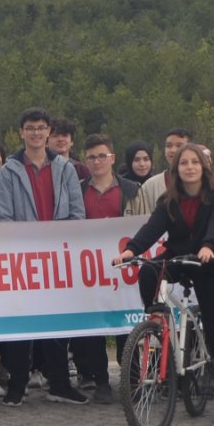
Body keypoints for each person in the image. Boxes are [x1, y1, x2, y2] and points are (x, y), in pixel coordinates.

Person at [116, 145, 214, 422]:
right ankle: (156, 320)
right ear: (176, 168)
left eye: (195, 162)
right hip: (179, 256)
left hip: (209, 262)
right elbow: (152, 228)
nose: (189, 167)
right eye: (184, 163)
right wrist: (131, 250)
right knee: (148, 271)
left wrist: (208, 246)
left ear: (204, 167)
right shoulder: (169, 200)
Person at [0, 108, 86, 406]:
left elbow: (77, 214)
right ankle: (17, 385)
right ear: (21, 132)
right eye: (30, 127)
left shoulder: (66, 169)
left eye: (41, 127)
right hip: (23, 258)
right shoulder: (8, 171)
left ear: (48, 131)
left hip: (57, 256)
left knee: (57, 322)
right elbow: (3, 218)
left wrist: (57, 239)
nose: (36, 132)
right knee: (21, 323)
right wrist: (26, 241)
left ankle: (59, 383)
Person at [76, 135, 135, 399]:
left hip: (124, 270)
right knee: (94, 329)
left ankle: (131, 377)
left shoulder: (132, 190)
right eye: (92, 157)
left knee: (127, 325)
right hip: (89, 271)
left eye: (102, 156)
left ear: (112, 158)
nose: (97, 161)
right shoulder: (77, 190)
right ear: (86, 161)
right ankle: (101, 381)